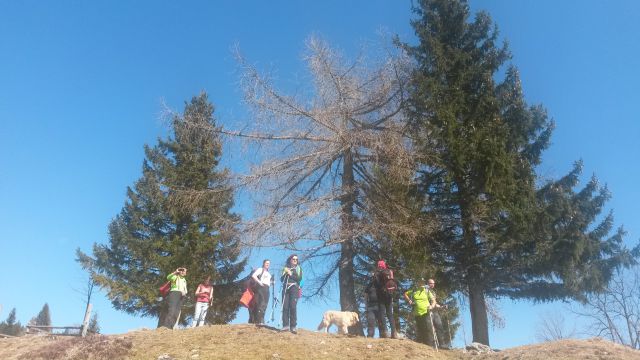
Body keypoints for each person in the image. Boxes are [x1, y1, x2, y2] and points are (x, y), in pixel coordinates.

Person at [403, 278, 434, 345]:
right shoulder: (414, 290)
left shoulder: (427, 291)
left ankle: (430, 343)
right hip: (417, 312)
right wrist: (409, 300)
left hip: (426, 311)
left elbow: (433, 300)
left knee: (427, 327)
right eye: (420, 282)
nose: (421, 284)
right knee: (420, 327)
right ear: (418, 283)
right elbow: (405, 294)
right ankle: (422, 342)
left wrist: (431, 306)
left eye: (422, 283)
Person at [374, 260, 397, 338]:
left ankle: (386, 332)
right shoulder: (389, 271)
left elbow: (376, 284)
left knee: (383, 314)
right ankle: (394, 333)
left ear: (379, 265)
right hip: (389, 295)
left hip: (381, 296)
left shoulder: (377, 272)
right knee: (390, 314)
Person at [281, 254, 302, 333]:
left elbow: (299, 279)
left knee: (293, 306)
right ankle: (285, 325)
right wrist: (286, 272)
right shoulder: (285, 268)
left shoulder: (298, 268)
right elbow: (281, 279)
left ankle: (293, 326)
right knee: (285, 306)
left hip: (294, 288)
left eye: (296, 259)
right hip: (285, 287)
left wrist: (291, 274)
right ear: (290, 260)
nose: (295, 260)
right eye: (293, 259)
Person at [250, 259, 272, 325]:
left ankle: (261, 319)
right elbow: (253, 275)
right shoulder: (260, 269)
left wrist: (272, 282)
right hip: (262, 287)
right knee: (261, 303)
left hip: (267, 288)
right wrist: (259, 282)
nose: (268, 264)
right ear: (263, 263)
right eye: (266, 263)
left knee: (265, 304)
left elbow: (268, 282)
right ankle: (259, 320)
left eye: (269, 263)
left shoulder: (268, 273)